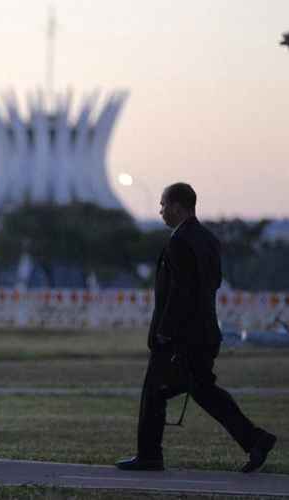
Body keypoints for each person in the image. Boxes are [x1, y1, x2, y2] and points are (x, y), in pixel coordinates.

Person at [116, 183, 276, 473]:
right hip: (205, 333)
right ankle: (256, 440)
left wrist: (165, 331)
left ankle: (149, 456)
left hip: (180, 338)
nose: (161, 211)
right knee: (204, 391)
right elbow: (210, 285)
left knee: (155, 391)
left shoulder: (178, 242)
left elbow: (180, 292)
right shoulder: (208, 239)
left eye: (163, 205)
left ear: (178, 207)